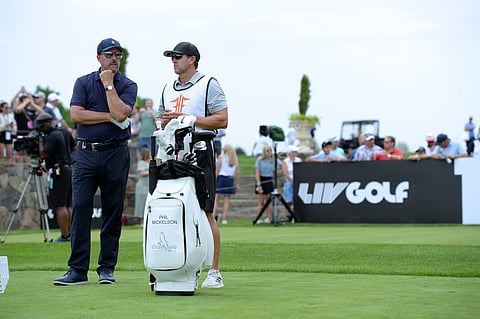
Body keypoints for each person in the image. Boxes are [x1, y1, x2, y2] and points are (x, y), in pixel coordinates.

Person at [53, 38, 137, 286]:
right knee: (80, 209)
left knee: (112, 211)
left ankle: (106, 268)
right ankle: (77, 270)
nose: (114, 58)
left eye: (118, 54)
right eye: (109, 54)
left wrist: (109, 86)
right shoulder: (83, 82)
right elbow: (77, 115)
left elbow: (123, 113)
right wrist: (109, 117)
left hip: (116, 153)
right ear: (99, 57)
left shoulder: (127, 85)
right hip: (86, 154)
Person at [157, 41, 228, 289]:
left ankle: (214, 271)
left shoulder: (208, 83)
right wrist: (165, 122)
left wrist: (186, 119)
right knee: (174, 209)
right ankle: (176, 266)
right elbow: (160, 120)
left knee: (205, 210)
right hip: (172, 152)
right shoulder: (167, 88)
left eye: (178, 56)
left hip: (199, 150)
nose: (174, 60)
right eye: (172, 57)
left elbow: (222, 119)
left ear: (193, 59)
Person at [37, 112, 75, 242]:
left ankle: (65, 235)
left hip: (58, 171)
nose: (40, 129)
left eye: (41, 126)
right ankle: (70, 234)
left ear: (47, 123)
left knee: (60, 205)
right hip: (69, 169)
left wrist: (40, 142)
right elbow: (74, 147)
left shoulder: (52, 136)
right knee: (67, 204)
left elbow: (44, 154)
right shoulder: (64, 132)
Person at [12, 90, 43, 162]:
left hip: (29, 134)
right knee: (19, 152)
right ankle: (18, 169)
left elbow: (41, 111)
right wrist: (24, 102)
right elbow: (17, 109)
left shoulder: (30, 110)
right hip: (20, 133)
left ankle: (26, 168)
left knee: (26, 153)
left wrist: (32, 103)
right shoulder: (19, 110)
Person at [213, 144, 239, 224]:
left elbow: (217, 170)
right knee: (226, 200)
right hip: (230, 179)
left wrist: (214, 180)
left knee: (216, 199)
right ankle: (224, 219)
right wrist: (236, 184)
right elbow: (237, 173)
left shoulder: (221, 157)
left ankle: (213, 216)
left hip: (221, 178)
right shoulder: (235, 159)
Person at [255, 145, 278, 224]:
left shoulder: (273, 160)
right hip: (261, 179)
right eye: (267, 151)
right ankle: (259, 218)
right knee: (261, 201)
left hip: (269, 179)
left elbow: (280, 166)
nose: (269, 152)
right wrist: (259, 184)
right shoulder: (260, 160)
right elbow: (257, 173)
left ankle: (269, 217)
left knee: (269, 200)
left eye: (270, 150)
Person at [280, 145, 302, 220]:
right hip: (289, 182)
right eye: (294, 152)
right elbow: (285, 173)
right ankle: (286, 216)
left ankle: (295, 216)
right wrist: (292, 180)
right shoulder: (285, 162)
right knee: (288, 200)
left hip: (298, 182)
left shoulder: (299, 160)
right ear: (290, 153)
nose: (296, 153)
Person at [134, 147, 150, 225]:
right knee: (142, 204)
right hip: (142, 187)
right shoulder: (141, 163)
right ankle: (142, 222)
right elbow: (142, 173)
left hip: (148, 186)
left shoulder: (150, 163)